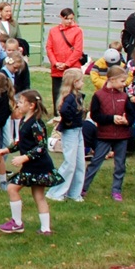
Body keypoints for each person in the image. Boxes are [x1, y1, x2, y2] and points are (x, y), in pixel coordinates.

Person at [0, 90, 58, 234]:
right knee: (38, 195)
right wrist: (6, 150)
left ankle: (17, 223)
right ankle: (45, 229)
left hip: (38, 165)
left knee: (12, 188)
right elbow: (21, 142)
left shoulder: (36, 124)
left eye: (21, 102)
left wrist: (25, 157)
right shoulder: (24, 121)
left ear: (31, 105)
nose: (18, 104)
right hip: (32, 165)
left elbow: (41, 146)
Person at [85, 66, 133, 201]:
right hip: (104, 135)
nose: (125, 84)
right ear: (112, 79)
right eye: (122, 81)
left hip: (122, 136)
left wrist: (126, 121)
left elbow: (131, 114)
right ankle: (83, 187)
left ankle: (116, 190)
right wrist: (111, 119)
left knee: (120, 165)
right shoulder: (98, 96)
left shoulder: (124, 96)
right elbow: (95, 115)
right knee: (96, 162)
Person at [47, 69, 88, 202]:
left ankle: (74, 192)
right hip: (70, 131)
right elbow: (64, 110)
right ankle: (55, 192)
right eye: (81, 80)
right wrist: (69, 121)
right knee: (69, 163)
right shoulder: (69, 97)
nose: (83, 83)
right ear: (75, 82)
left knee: (80, 163)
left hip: (78, 130)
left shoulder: (77, 96)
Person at [44, 8, 85, 104]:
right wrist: (55, 63)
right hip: (57, 67)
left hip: (72, 68)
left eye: (71, 19)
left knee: (73, 92)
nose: (70, 21)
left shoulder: (77, 31)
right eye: (67, 19)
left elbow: (78, 50)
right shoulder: (53, 31)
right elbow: (49, 48)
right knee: (57, 92)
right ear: (61, 18)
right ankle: (57, 113)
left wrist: (67, 64)